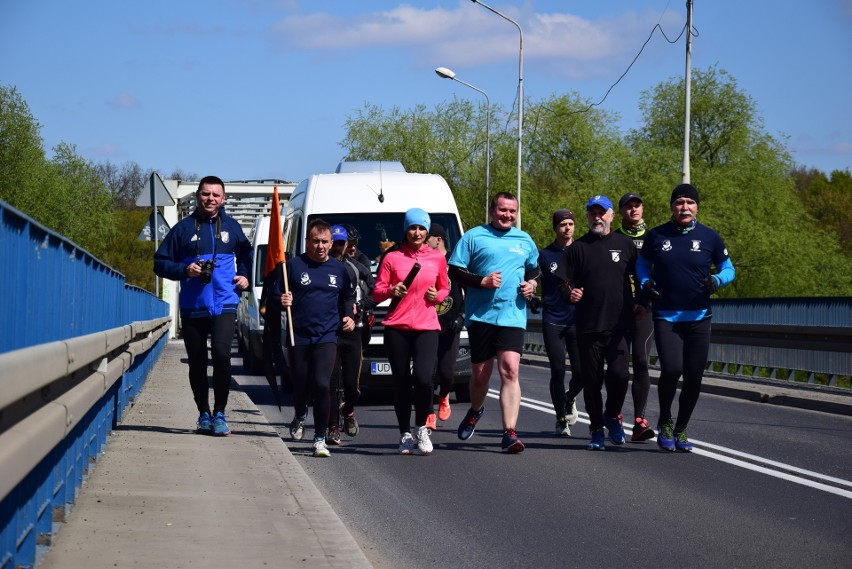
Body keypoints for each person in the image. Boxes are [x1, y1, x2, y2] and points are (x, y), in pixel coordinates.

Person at [636, 183, 735, 452]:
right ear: (672, 207)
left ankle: (681, 428)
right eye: (680, 202)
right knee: (671, 369)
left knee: (694, 375)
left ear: (697, 207)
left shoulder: (710, 237)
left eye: (690, 202)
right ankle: (665, 420)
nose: (685, 207)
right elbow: (642, 264)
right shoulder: (657, 236)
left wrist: (718, 279)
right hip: (666, 316)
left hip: (699, 317)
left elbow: (729, 268)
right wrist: (644, 282)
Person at [154, 175, 252, 437]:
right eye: (206, 194)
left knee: (221, 355)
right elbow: (159, 263)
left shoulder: (232, 227)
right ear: (198, 195)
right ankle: (203, 414)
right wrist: (185, 269)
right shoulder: (183, 229)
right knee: (197, 362)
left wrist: (245, 275)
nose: (211, 199)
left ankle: (220, 412)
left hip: (225, 303)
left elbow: (247, 254)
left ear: (224, 199)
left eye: (216, 195)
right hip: (193, 306)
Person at [448, 192, 540, 454]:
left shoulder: (524, 239)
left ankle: (509, 432)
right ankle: (476, 411)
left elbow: (535, 268)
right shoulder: (475, 236)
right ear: (492, 210)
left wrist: (531, 284)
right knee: (480, 375)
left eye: (512, 211)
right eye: (502, 210)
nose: (507, 216)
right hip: (481, 317)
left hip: (513, 315)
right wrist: (482, 282)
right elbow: (454, 270)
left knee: (510, 369)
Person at [554, 195, 639, 451]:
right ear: (588, 216)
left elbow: (641, 276)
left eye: (602, 212)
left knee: (620, 375)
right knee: (592, 382)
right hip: (588, 326)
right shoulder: (577, 248)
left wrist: (642, 302)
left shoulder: (626, 245)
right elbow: (560, 281)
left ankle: (612, 416)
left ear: (612, 215)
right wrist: (569, 292)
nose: (597, 217)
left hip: (620, 326)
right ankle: (595, 429)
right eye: (592, 213)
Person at [275, 219, 356, 457]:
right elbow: (274, 294)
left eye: (324, 242)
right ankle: (300, 414)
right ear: (307, 242)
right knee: (300, 385)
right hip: (298, 335)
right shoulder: (293, 266)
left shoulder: (339, 270)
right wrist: (282, 300)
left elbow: (348, 298)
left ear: (331, 244)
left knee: (322, 384)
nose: (320, 246)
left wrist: (349, 316)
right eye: (315, 241)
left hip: (327, 336)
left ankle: (319, 438)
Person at [373, 208, 449, 455]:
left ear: (427, 231)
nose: (417, 232)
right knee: (402, 382)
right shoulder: (392, 258)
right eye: (412, 228)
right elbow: (377, 291)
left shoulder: (437, 258)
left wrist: (436, 296)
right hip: (397, 326)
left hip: (427, 326)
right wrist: (390, 291)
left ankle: (422, 429)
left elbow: (445, 288)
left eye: (421, 228)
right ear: (405, 230)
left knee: (424, 379)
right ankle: (405, 432)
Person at [327, 224, 375, 445]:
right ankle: (333, 427)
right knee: (330, 382)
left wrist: (361, 305)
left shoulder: (357, 268)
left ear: (347, 245)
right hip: (329, 332)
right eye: (333, 243)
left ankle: (349, 412)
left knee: (351, 386)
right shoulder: (320, 267)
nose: (337, 248)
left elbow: (377, 290)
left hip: (353, 331)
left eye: (340, 243)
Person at [538, 210, 583, 437]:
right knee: (557, 370)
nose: (567, 228)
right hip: (553, 319)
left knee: (582, 372)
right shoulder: (545, 255)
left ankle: (568, 397)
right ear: (555, 228)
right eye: (563, 224)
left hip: (578, 320)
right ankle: (561, 420)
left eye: (571, 224)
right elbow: (534, 277)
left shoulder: (582, 251)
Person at [615, 193, 656, 442]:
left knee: (641, 361)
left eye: (637, 205)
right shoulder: (614, 237)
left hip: (645, 310)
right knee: (619, 370)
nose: (634, 210)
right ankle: (615, 416)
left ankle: (639, 422)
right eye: (628, 207)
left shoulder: (654, 238)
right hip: (618, 312)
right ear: (621, 212)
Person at [425, 222, 465, 429]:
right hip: (428, 324)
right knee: (428, 371)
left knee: (447, 372)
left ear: (438, 239)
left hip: (451, 324)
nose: (423, 240)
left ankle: (444, 396)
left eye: (427, 237)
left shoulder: (455, 261)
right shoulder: (425, 260)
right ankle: (429, 412)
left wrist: (462, 317)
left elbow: (468, 291)